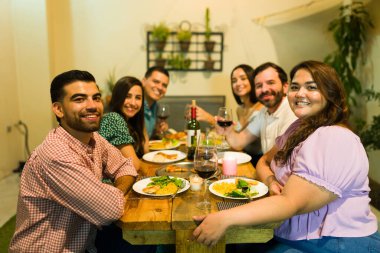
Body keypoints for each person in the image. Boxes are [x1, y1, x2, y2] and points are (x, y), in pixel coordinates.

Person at [192, 60, 380, 252]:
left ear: (330, 94)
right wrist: (272, 180)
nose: (300, 93)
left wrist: (226, 218)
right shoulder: (299, 128)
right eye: (296, 87)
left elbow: (291, 203)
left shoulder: (334, 137)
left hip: (334, 243)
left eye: (311, 87)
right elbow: (264, 161)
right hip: (287, 232)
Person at [9, 70, 138, 252]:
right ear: (58, 109)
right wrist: (110, 196)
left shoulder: (93, 138)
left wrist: (114, 191)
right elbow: (110, 210)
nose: (92, 105)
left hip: (84, 244)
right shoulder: (56, 155)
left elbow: (126, 165)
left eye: (96, 97)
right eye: (79, 99)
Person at [187, 64, 264, 166]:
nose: (238, 83)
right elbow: (237, 134)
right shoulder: (240, 109)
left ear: (252, 80)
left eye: (243, 78)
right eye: (234, 80)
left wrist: (210, 118)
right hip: (241, 156)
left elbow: (239, 144)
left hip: (255, 161)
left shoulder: (261, 108)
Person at [216, 62, 298, 155]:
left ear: (285, 87)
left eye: (270, 82)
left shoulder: (293, 112)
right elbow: (239, 142)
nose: (264, 89)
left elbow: (279, 159)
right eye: (259, 85)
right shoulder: (264, 112)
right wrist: (228, 131)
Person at [99, 76, 149, 171]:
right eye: (127, 96)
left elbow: (146, 151)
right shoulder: (113, 119)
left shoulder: (129, 120)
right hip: (111, 183)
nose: (133, 103)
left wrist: (140, 119)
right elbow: (135, 165)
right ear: (118, 97)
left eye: (138, 98)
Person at [142, 66, 170, 139]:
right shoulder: (134, 107)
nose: (160, 87)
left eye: (164, 85)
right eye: (156, 82)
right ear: (144, 81)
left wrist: (157, 130)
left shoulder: (156, 107)